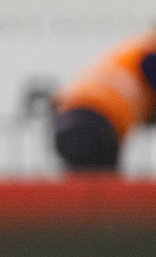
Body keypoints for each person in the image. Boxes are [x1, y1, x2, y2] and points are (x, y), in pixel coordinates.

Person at [52, 30, 156, 172]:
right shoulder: (148, 54)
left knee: (85, 182)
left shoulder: (133, 51)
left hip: (69, 118)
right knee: (102, 184)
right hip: (99, 120)